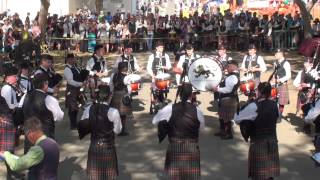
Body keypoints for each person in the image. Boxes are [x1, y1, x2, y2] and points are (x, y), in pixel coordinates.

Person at [152, 83, 205, 180]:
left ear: (179, 94)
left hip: (174, 146)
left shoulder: (169, 108)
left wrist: (166, 125)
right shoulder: (198, 111)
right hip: (192, 147)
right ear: (191, 94)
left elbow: (155, 121)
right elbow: (201, 128)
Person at [234, 82, 280, 180]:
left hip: (258, 143)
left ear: (258, 92)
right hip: (272, 141)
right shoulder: (274, 105)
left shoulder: (253, 106)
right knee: (269, 173)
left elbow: (237, 118)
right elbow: (278, 119)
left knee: (259, 175)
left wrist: (248, 105)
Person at [79, 85, 122, 180]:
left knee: (95, 177)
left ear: (97, 95)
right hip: (108, 146)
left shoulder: (88, 109)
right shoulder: (113, 112)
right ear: (110, 96)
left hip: (94, 145)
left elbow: (83, 125)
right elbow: (117, 130)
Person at [19, 74, 64, 152]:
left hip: (29, 137)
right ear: (45, 84)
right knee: (47, 161)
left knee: (31, 161)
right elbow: (59, 117)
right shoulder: (49, 99)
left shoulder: (25, 96)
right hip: (45, 137)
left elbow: (19, 111)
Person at [212, 60, 240, 139]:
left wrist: (217, 89)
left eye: (228, 66)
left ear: (234, 67)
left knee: (226, 117)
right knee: (221, 115)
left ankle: (228, 134)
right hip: (225, 99)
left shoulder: (233, 77)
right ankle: (222, 131)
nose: (227, 68)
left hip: (228, 99)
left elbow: (228, 90)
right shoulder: (231, 75)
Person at [64, 53, 86, 130]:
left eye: (73, 58)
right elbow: (70, 81)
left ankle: (74, 122)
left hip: (77, 89)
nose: (73, 60)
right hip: (71, 90)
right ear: (68, 60)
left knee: (77, 106)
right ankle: (72, 124)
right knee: (72, 107)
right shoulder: (67, 69)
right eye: (71, 59)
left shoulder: (76, 67)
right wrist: (81, 83)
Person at [109, 62, 132, 136]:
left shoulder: (113, 75)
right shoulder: (126, 77)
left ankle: (114, 129)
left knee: (115, 113)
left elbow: (111, 86)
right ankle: (122, 130)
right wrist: (128, 95)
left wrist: (112, 93)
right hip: (123, 95)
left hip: (115, 94)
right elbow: (129, 88)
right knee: (123, 115)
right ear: (125, 68)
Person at [273, 49, 291, 115]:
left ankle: (279, 115)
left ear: (281, 54)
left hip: (282, 84)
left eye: (276, 54)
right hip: (275, 84)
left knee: (281, 101)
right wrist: (273, 79)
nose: (275, 55)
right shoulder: (275, 62)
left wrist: (280, 80)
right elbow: (274, 72)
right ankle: (275, 114)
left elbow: (289, 75)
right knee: (274, 99)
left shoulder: (286, 63)